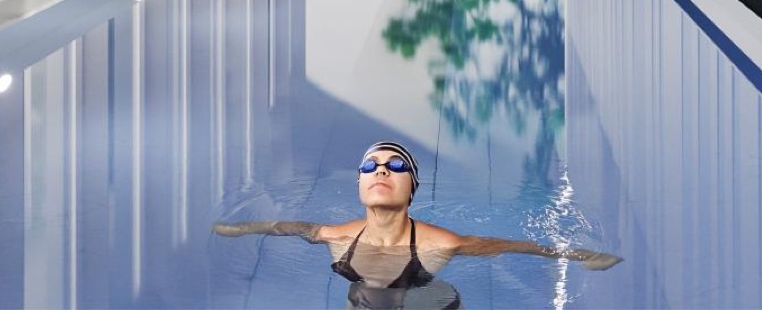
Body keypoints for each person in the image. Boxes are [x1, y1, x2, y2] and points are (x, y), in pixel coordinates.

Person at [214, 141, 620, 308]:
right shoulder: (337, 235)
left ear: (412, 188)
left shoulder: (439, 243)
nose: (381, 171)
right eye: (370, 166)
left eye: (395, 166)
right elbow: (290, 227)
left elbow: (511, 246)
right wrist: (239, 229)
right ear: (359, 183)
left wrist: (578, 254)